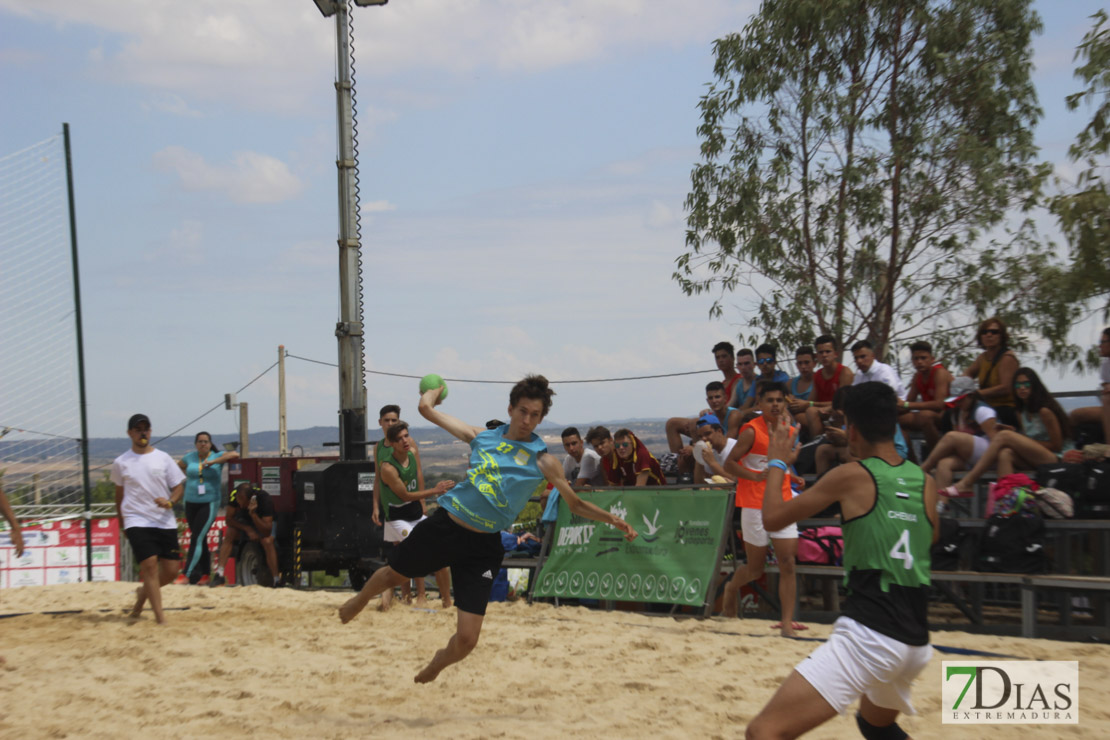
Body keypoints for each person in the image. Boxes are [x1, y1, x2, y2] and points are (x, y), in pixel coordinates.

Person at [338, 375, 637, 684]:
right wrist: (434, 391)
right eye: (523, 411)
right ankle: (359, 600)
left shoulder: (543, 460)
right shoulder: (482, 437)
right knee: (394, 573)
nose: (527, 419)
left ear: (542, 417)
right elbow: (426, 410)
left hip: (483, 547)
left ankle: (439, 661)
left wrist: (612, 518)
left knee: (467, 640)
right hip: (448, 525)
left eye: (535, 415)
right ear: (510, 408)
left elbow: (574, 504)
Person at [745, 382, 938, 740]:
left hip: (871, 633)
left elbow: (772, 518)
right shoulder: (924, 481)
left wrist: (776, 461)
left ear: (851, 428)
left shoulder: (852, 475)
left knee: (763, 733)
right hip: (915, 641)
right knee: (875, 725)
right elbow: (931, 537)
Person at [720, 381, 803, 636]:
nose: (776, 405)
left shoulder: (789, 431)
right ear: (759, 404)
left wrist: (792, 472)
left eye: (780, 400)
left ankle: (786, 623)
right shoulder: (750, 431)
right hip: (754, 504)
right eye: (770, 400)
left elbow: (781, 464)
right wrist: (755, 476)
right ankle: (731, 588)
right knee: (756, 570)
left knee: (788, 562)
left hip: (783, 501)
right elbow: (730, 464)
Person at [945, 368, 1072, 496]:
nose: (1022, 388)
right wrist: (1019, 437)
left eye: (1026, 384)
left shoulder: (1044, 411)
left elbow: (1057, 445)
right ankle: (1005, 503)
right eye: (1018, 385)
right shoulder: (1020, 412)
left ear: (1034, 386)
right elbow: (1028, 440)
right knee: (1005, 453)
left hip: (1054, 458)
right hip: (1034, 458)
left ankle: (967, 482)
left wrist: (1019, 439)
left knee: (1004, 436)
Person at [110, 413, 186, 624]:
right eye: (138, 429)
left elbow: (178, 486)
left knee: (171, 571)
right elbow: (119, 495)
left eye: (146, 428)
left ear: (150, 431)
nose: (142, 432)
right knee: (150, 565)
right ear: (130, 433)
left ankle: (142, 594)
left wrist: (171, 502)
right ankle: (160, 618)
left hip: (163, 519)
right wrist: (122, 521)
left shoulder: (163, 458)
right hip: (136, 519)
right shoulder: (121, 462)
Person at [374, 420, 454, 610]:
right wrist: (434, 490)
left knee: (440, 557)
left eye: (406, 436)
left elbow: (418, 476)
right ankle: (398, 597)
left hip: (415, 513)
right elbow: (405, 495)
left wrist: (424, 502)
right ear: (392, 444)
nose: (405, 440)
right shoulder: (388, 468)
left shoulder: (413, 452)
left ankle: (447, 604)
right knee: (409, 557)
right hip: (397, 516)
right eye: (399, 438)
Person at [918, 377, 1001, 492]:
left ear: (971, 396)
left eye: (960, 400)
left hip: (991, 456)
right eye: (955, 401)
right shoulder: (956, 414)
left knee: (951, 437)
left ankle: (924, 468)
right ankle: (941, 504)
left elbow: (997, 442)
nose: (958, 403)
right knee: (944, 464)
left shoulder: (982, 411)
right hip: (970, 458)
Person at [178, 431, 239, 585]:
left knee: (196, 538)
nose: (203, 444)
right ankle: (205, 574)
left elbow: (234, 455)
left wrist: (214, 461)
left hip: (209, 502)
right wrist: (190, 476)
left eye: (206, 441)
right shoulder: (190, 457)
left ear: (210, 443)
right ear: (195, 444)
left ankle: (187, 574)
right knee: (200, 537)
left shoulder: (215, 457)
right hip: (190, 501)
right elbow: (179, 466)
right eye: (200, 441)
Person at [665, 381, 744, 473]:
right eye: (711, 398)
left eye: (717, 397)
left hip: (727, 455)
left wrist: (696, 449)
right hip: (711, 448)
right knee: (683, 456)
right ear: (707, 401)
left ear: (725, 398)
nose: (714, 401)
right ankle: (678, 465)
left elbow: (726, 445)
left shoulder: (734, 415)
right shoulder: (710, 415)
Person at [210, 482, 279, 587]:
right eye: (237, 499)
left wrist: (253, 514)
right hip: (245, 520)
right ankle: (219, 574)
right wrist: (248, 529)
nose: (239, 503)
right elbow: (228, 520)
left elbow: (267, 530)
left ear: (249, 499)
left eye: (241, 500)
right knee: (230, 533)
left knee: (267, 541)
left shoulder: (264, 499)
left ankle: (276, 579)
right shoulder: (235, 495)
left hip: (261, 520)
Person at [898, 341, 953, 453]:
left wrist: (906, 405)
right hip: (932, 415)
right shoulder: (917, 377)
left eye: (923, 358)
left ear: (932, 359)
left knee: (925, 416)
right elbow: (907, 404)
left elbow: (939, 405)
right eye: (916, 359)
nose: (919, 362)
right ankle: (911, 463)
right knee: (897, 420)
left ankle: (937, 456)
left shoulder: (940, 372)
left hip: (950, 415)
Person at [964, 317, 1020, 427]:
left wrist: (978, 393)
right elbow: (967, 374)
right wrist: (960, 388)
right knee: (951, 415)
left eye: (994, 332)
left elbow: (1006, 388)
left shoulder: (1007, 357)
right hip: (987, 407)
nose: (989, 335)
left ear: (1001, 336)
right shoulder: (982, 358)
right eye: (985, 332)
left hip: (1005, 409)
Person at [1068, 327, 1110, 444]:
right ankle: (1071, 447)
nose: (1099, 346)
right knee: (1075, 415)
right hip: (1107, 408)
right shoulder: (1106, 365)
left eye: (1102, 342)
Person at [786, 346, 821, 439]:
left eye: (806, 362)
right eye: (800, 363)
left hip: (814, 419)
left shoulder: (819, 380)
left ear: (814, 363)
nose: (803, 366)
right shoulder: (790, 383)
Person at [692, 414, 737, 484]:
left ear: (719, 431)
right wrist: (699, 458)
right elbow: (699, 483)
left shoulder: (735, 447)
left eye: (707, 434)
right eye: (701, 436)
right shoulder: (710, 451)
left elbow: (736, 481)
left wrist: (712, 463)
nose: (704, 439)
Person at [713, 341, 743, 408]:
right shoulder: (722, 384)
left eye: (724, 356)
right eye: (717, 357)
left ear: (732, 358)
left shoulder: (739, 380)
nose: (721, 360)